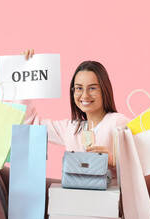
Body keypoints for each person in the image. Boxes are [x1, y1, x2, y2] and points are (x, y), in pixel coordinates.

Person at [20, 49, 131, 181]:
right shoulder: (71, 128)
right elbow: (30, 124)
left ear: (104, 90)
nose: (84, 95)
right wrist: (24, 77)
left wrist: (114, 161)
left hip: (108, 198)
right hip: (75, 196)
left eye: (92, 88)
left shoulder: (118, 122)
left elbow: (142, 165)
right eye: (78, 88)